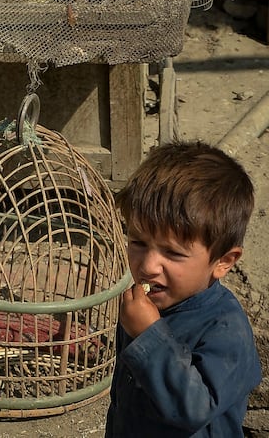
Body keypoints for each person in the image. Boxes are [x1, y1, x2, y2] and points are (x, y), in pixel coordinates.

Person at [105, 141, 262, 437]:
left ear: (223, 262)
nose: (149, 265)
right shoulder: (146, 307)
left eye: (173, 253)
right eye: (138, 242)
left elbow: (194, 408)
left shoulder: (226, 330)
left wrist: (148, 337)